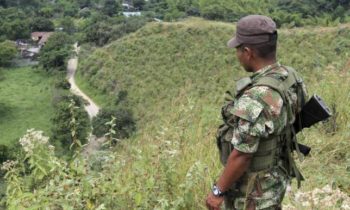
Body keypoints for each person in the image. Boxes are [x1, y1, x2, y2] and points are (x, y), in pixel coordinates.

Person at [205, 15, 308, 210]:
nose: (237, 54)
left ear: (247, 52)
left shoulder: (256, 98)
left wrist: (217, 192)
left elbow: (242, 155)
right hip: (277, 176)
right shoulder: (290, 76)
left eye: (238, 49)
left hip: (254, 191)